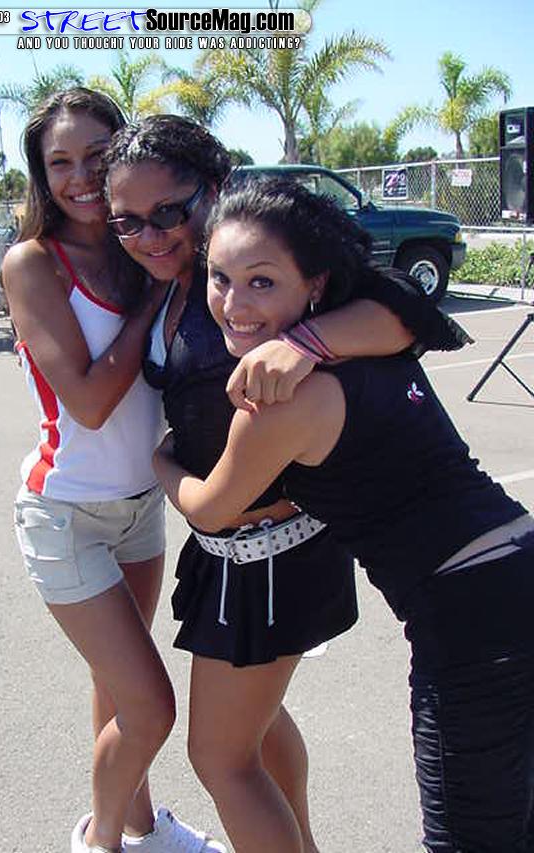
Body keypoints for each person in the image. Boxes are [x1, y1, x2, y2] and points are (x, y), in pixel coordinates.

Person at [102, 115, 470, 853]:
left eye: (168, 212)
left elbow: (403, 310)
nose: (150, 234)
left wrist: (307, 341)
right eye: (127, 221)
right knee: (257, 732)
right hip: (236, 551)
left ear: (212, 192)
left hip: (266, 548)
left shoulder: (254, 278)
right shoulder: (185, 283)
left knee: (223, 758)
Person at [152, 176, 534, 853]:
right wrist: (307, 339)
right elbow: (408, 312)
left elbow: (211, 510)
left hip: (469, 617)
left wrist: (162, 462)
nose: (234, 304)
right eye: (220, 279)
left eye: (262, 281)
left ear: (315, 284)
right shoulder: (368, 337)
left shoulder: (279, 403)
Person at [2, 88, 227, 853]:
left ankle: (143, 827)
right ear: (41, 175)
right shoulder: (35, 263)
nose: (79, 177)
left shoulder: (141, 246)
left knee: (118, 689)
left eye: (96, 157)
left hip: (139, 511)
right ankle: (99, 842)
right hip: (65, 516)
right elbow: (92, 401)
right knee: (150, 706)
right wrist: (155, 293)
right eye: (59, 162)